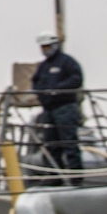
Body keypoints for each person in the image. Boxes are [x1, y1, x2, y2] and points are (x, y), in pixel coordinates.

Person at [31, 32, 84, 186]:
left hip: (64, 108)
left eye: (47, 46)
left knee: (69, 142)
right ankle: (55, 175)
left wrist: (57, 89)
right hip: (48, 110)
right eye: (42, 47)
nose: (44, 50)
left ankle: (76, 177)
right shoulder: (44, 66)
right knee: (51, 143)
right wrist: (42, 94)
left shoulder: (67, 62)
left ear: (54, 45)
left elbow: (76, 79)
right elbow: (36, 82)